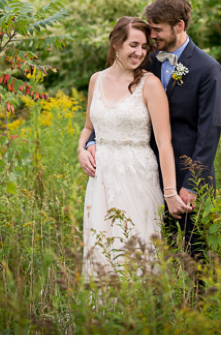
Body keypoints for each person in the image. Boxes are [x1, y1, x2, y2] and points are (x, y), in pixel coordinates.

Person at [80, 0, 221, 269]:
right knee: (153, 253)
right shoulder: (148, 59)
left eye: (157, 29)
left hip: (186, 176)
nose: (151, 34)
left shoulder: (208, 69)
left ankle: (200, 308)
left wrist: (191, 184)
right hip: (142, 174)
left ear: (179, 26)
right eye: (150, 27)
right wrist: (93, 141)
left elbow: (209, 132)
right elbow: (119, 104)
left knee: (196, 256)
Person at [77, 16, 192, 279]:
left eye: (144, 47)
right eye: (133, 45)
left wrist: (171, 192)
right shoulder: (97, 80)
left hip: (137, 175)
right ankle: (103, 317)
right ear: (116, 43)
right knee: (101, 248)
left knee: (137, 249)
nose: (140, 52)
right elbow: (87, 127)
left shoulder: (149, 84)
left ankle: (140, 314)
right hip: (102, 179)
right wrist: (82, 150)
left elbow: (164, 143)